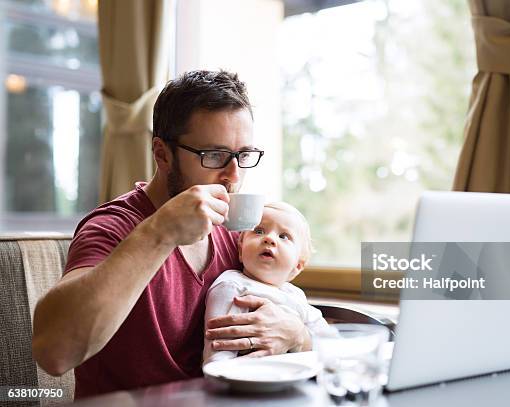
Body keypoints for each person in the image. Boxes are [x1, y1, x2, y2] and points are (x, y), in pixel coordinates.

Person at [31, 70, 312, 398]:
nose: (234, 176)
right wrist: (161, 232)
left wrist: (297, 334)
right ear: (163, 153)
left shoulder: (235, 234)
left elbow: (282, 319)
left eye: (243, 156)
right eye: (216, 155)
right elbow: (53, 353)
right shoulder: (113, 227)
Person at [203, 202, 336, 365]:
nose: (269, 238)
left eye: (284, 236)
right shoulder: (231, 286)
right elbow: (217, 354)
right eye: (258, 231)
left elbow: (331, 344)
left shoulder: (296, 295)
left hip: (293, 379)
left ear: (297, 266)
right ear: (240, 250)